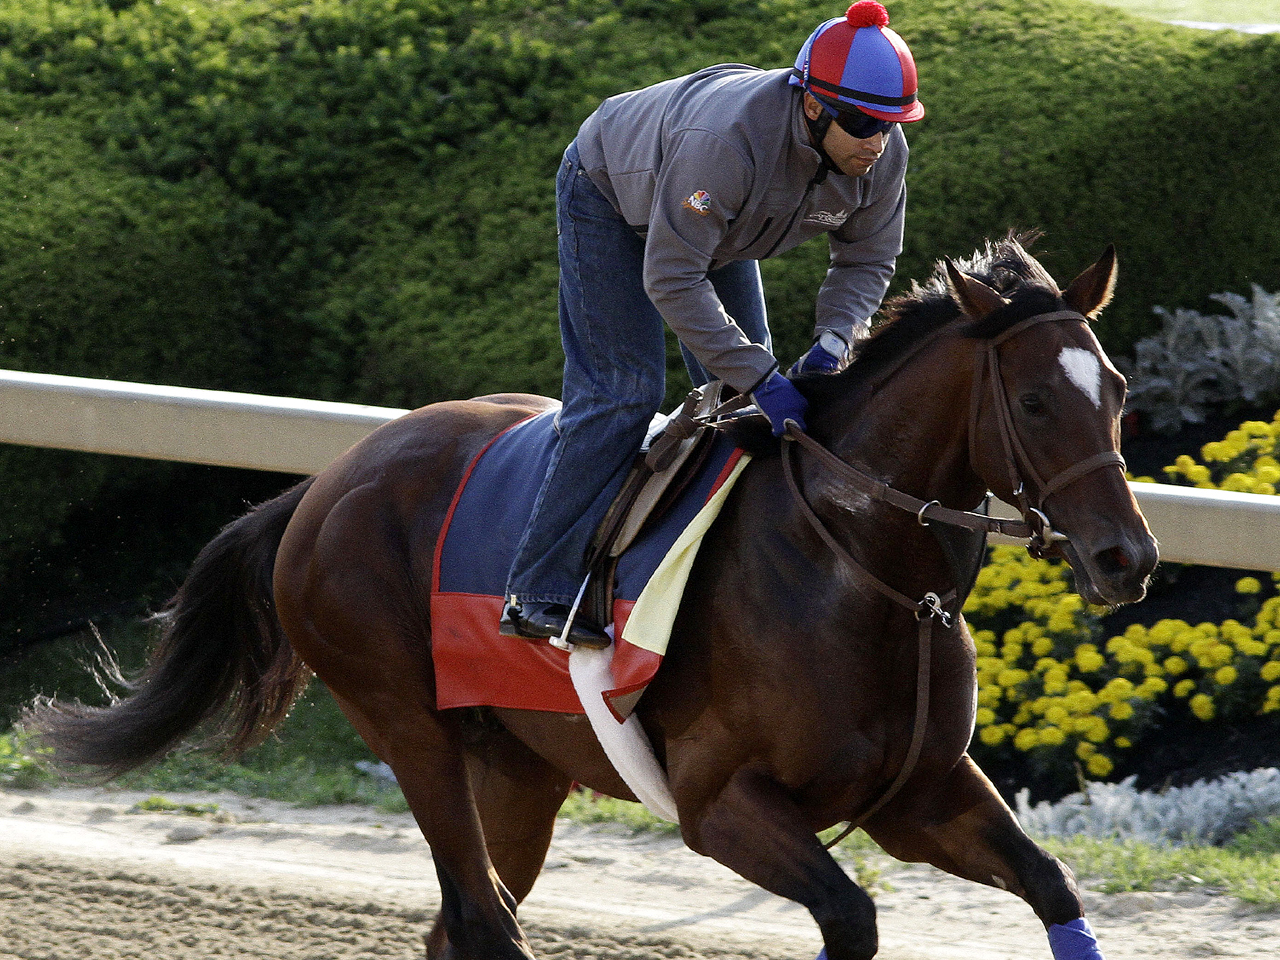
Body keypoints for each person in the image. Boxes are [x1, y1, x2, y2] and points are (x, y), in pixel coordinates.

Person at [500, 1, 925, 648]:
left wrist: (837, 339)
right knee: (624, 392)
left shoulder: (880, 156)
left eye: (892, 124)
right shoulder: (723, 145)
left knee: (741, 403)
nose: (877, 141)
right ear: (813, 106)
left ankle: (714, 571)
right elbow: (671, 278)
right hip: (609, 191)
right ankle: (538, 589)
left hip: (720, 228)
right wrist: (760, 373)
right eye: (865, 122)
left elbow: (868, 257)